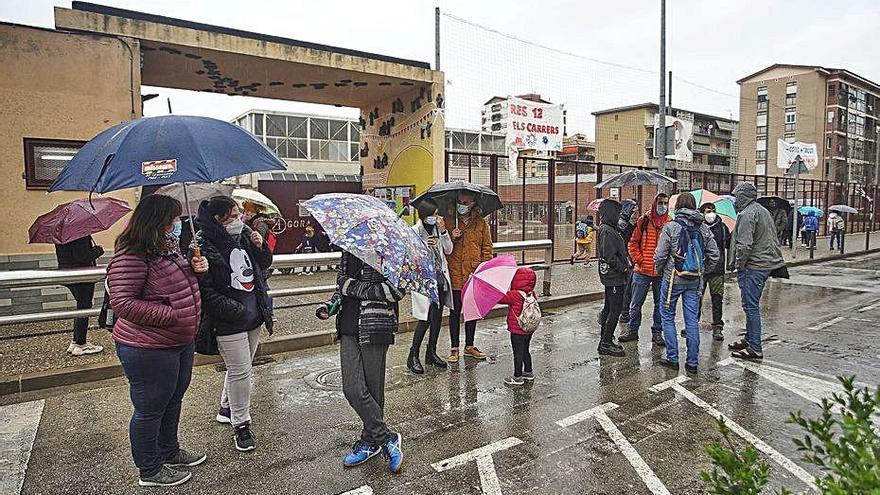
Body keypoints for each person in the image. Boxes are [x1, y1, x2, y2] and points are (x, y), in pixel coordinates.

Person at [107, 194, 209, 487]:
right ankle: (149, 470)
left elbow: (175, 286)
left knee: (172, 399)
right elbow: (123, 303)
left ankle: (170, 452)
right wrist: (171, 314)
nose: (178, 224)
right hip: (147, 346)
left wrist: (196, 270)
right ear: (159, 221)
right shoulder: (132, 256)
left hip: (177, 342)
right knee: (150, 408)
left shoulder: (170, 250)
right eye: (174, 219)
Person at [193, 196, 273, 452]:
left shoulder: (244, 237)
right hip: (228, 320)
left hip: (253, 315)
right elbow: (205, 291)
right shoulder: (201, 247)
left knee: (242, 367)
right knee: (241, 372)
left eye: (240, 215)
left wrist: (260, 247)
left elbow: (264, 266)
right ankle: (241, 426)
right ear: (219, 220)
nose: (240, 220)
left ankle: (226, 408)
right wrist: (234, 310)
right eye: (234, 216)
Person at [316, 250, 405, 474]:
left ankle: (369, 442)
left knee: (374, 392)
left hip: (376, 325)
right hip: (347, 326)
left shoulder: (390, 252)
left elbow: (395, 290)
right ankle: (387, 438)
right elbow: (341, 288)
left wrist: (351, 287)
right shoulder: (349, 249)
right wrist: (331, 304)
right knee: (352, 389)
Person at [653, 193, 719, 373]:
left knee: (667, 316)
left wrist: (660, 271)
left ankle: (673, 358)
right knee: (691, 320)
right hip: (694, 280)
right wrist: (703, 271)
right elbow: (714, 255)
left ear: (678, 206)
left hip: (673, 277)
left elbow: (660, 255)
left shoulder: (671, 227)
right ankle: (692, 363)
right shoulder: (704, 228)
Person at [728, 182, 785, 360]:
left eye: (736, 196)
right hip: (765, 264)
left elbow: (744, 245)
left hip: (753, 265)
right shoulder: (761, 210)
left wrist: (738, 264)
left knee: (750, 306)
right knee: (750, 304)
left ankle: (755, 347)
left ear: (744, 196)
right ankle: (749, 338)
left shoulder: (747, 214)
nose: (735, 200)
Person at [444, 191, 493, 362]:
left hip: (474, 274)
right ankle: (454, 347)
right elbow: (444, 248)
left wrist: (484, 269)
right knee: (454, 311)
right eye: (459, 201)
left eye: (466, 202)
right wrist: (452, 236)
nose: (462, 204)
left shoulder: (481, 224)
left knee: (471, 312)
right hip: (455, 273)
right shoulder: (449, 221)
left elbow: (487, 247)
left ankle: (469, 346)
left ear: (473, 203)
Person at [408, 199, 453, 374]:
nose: (436, 218)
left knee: (437, 319)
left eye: (437, 214)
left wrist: (443, 232)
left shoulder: (437, 229)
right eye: (433, 215)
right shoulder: (414, 232)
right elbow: (411, 258)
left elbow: (448, 250)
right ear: (424, 216)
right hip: (424, 283)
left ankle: (431, 353)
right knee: (424, 319)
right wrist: (425, 248)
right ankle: (413, 356)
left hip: (440, 280)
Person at [620, 193, 671, 345]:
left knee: (660, 305)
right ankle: (633, 330)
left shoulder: (669, 222)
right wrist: (639, 260)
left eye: (666, 203)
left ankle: (657, 333)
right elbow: (632, 243)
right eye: (661, 202)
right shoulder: (644, 221)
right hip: (642, 271)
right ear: (655, 203)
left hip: (660, 272)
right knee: (635, 304)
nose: (663, 206)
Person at [55, 234, 105, 355]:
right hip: (82, 275)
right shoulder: (80, 233)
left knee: (82, 306)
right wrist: (98, 250)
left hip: (66, 272)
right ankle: (80, 344)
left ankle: (76, 341)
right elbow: (82, 256)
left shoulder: (61, 233)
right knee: (84, 306)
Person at [596, 199, 628, 357]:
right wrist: (623, 267)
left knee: (609, 308)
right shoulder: (607, 230)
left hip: (613, 276)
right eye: (617, 212)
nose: (619, 215)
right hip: (614, 276)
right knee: (614, 310)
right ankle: (606, 343)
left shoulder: (610, 228)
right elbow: (609, 255)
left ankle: (605, 339)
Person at [499, 267, 539, 385]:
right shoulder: (531, 294)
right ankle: (528, 371)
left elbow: (501, 298)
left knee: (517, 352)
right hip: (528, 329)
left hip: (517, 330)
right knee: (526, 349)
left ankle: (517, 377)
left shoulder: (515, 294)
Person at [699, 202, 730, 341]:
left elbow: (729, 245)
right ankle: (692, 324)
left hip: (717, 270)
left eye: (713, 210)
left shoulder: (722, 228)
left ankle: (717, 327)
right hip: (701, 270)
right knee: (696, 298)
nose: (711, 213)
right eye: (707, 211)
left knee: (717, 298)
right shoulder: (697, 227)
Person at [617, 199, 639, 323]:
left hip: (630, 258)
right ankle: (624, 312)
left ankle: (624, 311)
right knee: (626, 287)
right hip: (625, 259)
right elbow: (624, 243)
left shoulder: (630, 223)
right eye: (633, 210)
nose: (636, 213)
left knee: (628, 287)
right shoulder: (622, 224)